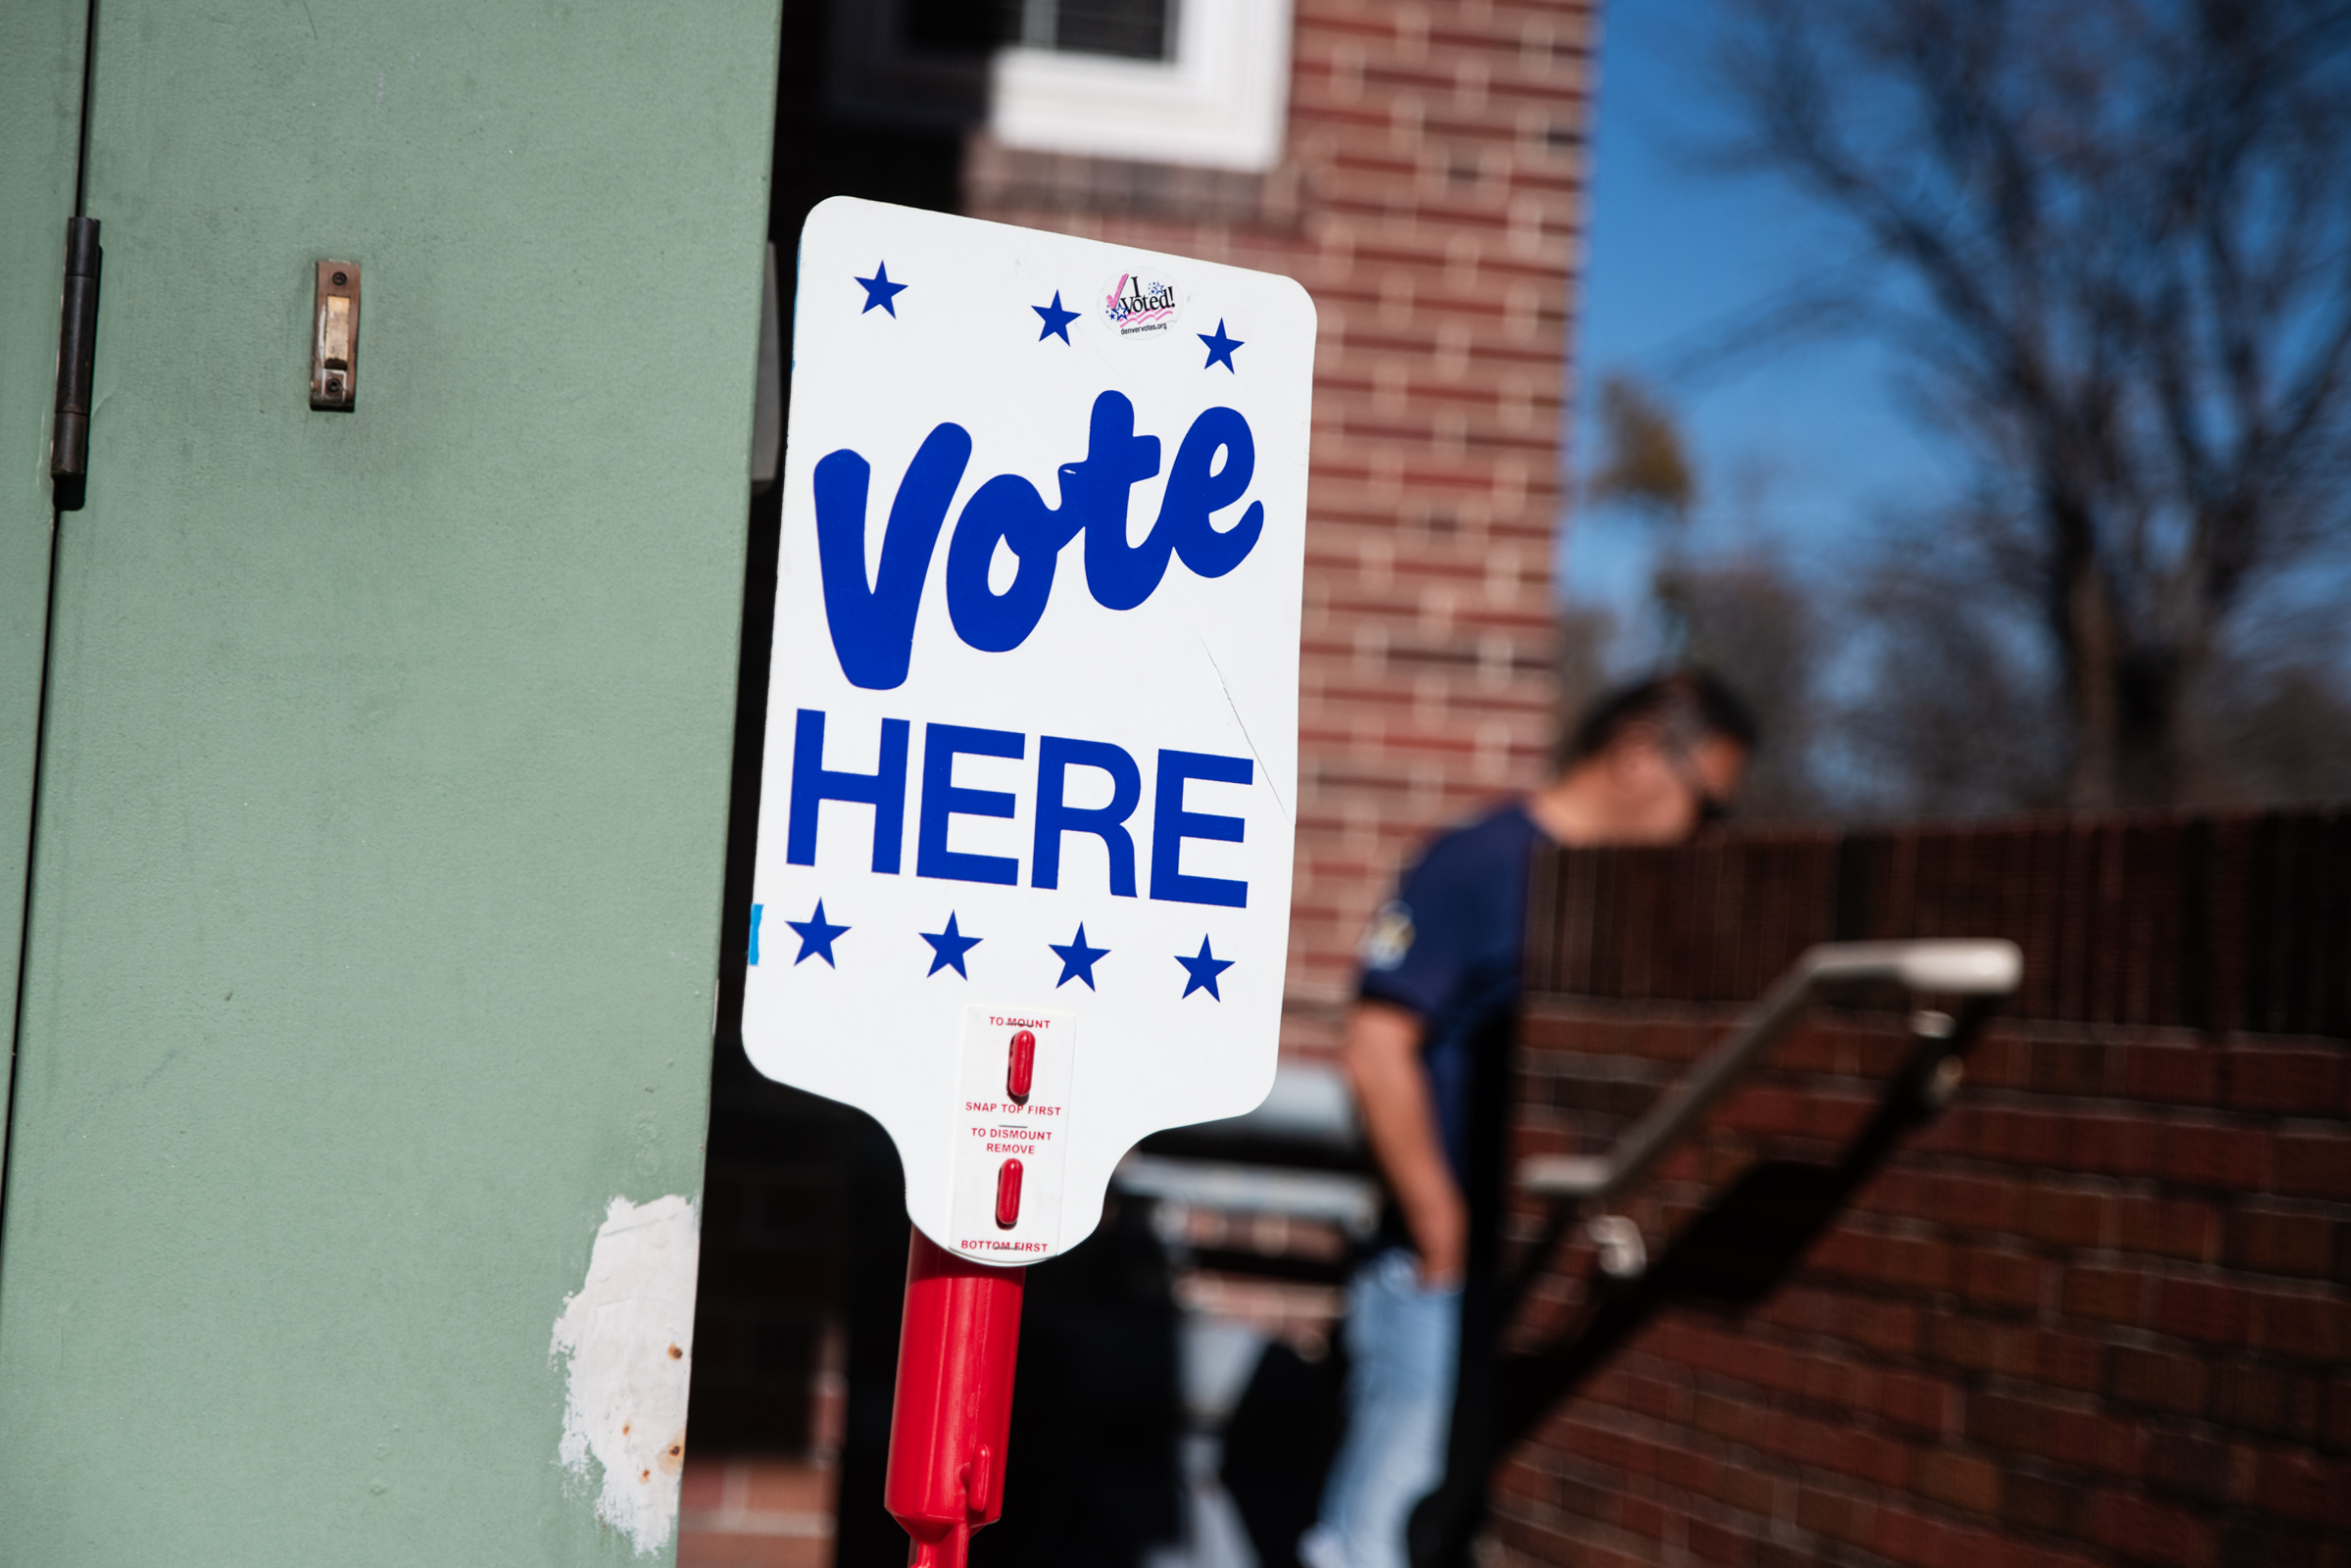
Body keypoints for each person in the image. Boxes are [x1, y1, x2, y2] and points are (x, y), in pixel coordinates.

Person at [1299, 670, 1756, 1568]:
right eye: (1704, 808)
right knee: (1381, 1527)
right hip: (1434, 1264)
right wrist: (1440, 1229)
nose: (1703, 839)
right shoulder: (1479, 862)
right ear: (1635, 755)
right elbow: (1376, 1045)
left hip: (1515, 1268)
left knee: (1443, 1525)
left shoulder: (1617, 895)